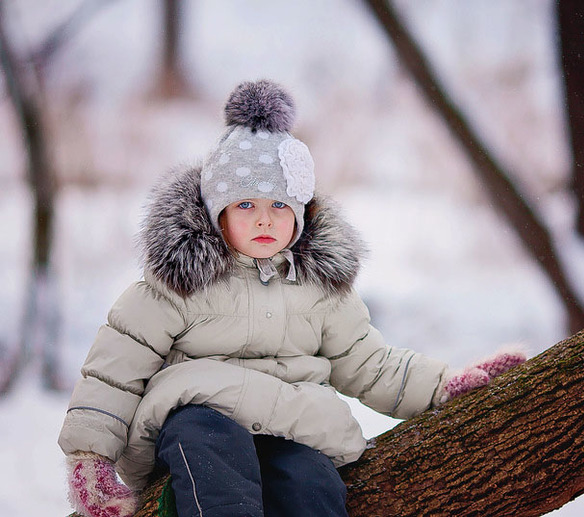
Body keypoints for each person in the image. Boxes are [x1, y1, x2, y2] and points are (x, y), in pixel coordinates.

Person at [59, 80, 526, 517]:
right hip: (200, 418)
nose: (264, 220)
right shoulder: (179, 280)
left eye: (279, 206)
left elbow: (368, 361)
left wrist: (444, 384)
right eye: (245, 205)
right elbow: (116, 368)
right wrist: (90, 458)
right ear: (216, 213)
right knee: (210, 450)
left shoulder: (320, 287)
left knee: (312, 482)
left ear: (300, 214)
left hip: (292, 425)